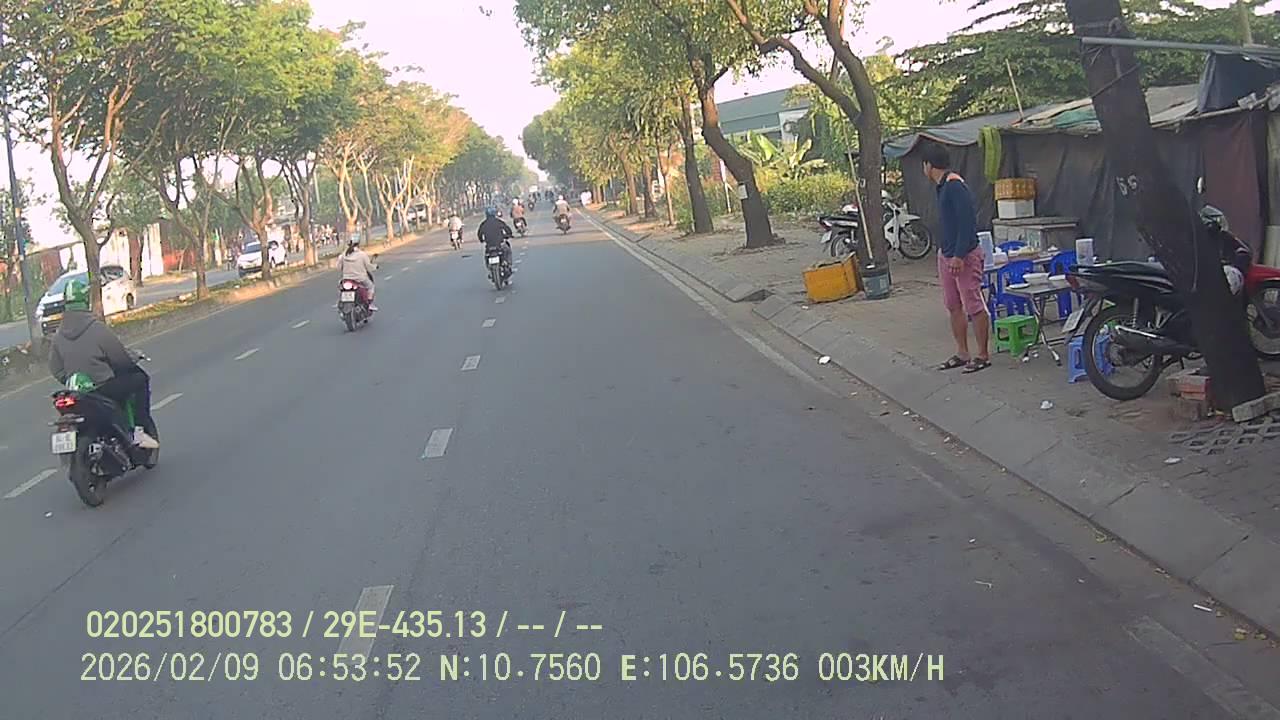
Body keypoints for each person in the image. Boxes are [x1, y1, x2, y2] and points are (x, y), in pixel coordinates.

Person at [48, 277, 159, 449]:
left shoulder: (58, 336)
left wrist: (69, 378)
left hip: (76, 392)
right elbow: (120, 359)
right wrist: (130, 360)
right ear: (86, 301)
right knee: (140, 378)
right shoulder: (97, 328)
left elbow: (55, 368)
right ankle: (139, 431)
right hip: (103, 387)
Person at [922, 143, 990, 374]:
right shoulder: (941, 187)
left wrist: (959, 255)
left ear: (929, 165)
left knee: (973, 304)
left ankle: (982, 354)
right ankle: (962, 352)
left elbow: (967, 222)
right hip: (947, 253)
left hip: (965, 254)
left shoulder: (954, 186)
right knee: (953, 304)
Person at [1200, 205, 1251, 296]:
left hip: (1220, 278)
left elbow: (1244, 251)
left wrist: (1230, 265)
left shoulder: (1225, 237)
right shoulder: (1195, 238)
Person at [338, 236, 378, 312]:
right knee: (370, 287)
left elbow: (339, 267)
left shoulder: (343, 255)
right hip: (361, 278)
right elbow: (368, 266)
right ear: (358, 244)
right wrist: (375, 267)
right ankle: (369, 304)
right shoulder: (362, 254)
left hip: (346, 279)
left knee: (341, 288)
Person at [477, 206, 513, 274]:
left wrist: (481, 240)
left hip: (489, 246)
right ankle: (508, 264)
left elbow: (479, 234)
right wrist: (509, 235)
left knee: (486, 255)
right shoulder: (499, 222)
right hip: (500, 245)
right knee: (508, 250)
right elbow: (507, 229)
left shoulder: (483, 224)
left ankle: (489, 267)